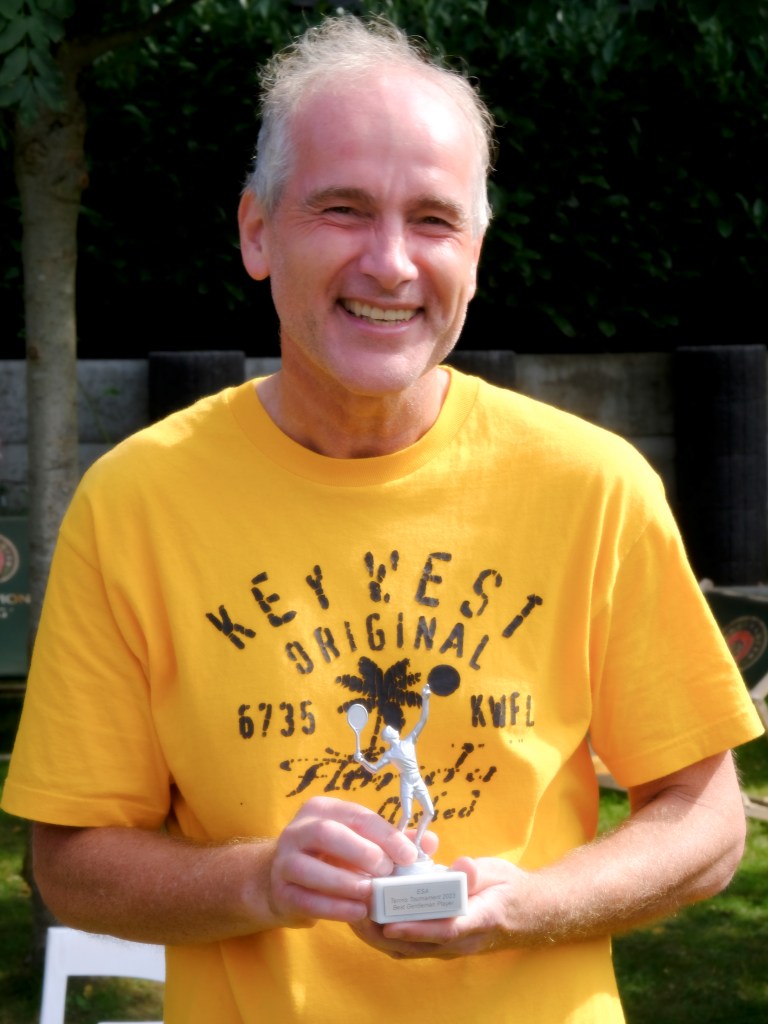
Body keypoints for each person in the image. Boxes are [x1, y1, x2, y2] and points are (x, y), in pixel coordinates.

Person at [2, 15, 763, 1024]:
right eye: (344, 209)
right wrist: (260, 880)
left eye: (435, 220)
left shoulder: (593, 485)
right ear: (257, 232)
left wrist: (529, 905)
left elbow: (709, 822)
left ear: (477, 253)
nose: (393, 263)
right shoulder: (137, 502)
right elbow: (71, 863)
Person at [354, 684, 435, 855]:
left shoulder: (410, 740)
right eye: (389, 730)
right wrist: (362, 761)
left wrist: (425, 699)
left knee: (429, 811)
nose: (393, 729)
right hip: (407, 782)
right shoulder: (390, 754)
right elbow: (374, 769)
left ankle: (417, 843)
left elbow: (423, 720)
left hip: (417, 780)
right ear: (388, 737)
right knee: (407, 815)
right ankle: (397, 845)